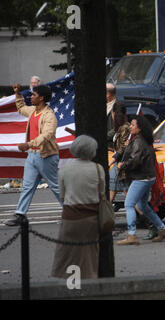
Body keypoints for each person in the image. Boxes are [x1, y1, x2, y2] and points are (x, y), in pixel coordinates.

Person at [4, 83, 62, 227]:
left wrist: (28, 144)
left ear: (41, 98)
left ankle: (72, 214)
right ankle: (20, 214)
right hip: (32, 156)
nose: (31, 97)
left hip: (47, 156)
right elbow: (21, 108)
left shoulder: (50, 116)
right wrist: (18, 94)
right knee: (27, 186)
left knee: (55, 187)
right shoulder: (33, 111)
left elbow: (47, 135)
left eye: (34, 95)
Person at [51, 135, 103, 279]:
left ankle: (72, 285)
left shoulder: (64, 169)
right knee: (89, 256)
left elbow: (62, 196)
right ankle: (89, 282)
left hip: (70, 218)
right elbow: (102, 194)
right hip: (91, 219)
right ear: (92, 151)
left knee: (68, 255)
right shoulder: (98, 169)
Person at [117, 116, 165, 245]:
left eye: (133, 125)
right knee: (142, 205)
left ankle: (132, 235)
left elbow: (135, 160)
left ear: (139, 128)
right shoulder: (143, 140)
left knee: (129, 204)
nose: (130, 126)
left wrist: (122, 165)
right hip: (148, 177)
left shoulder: (138, 141)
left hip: (141, 178)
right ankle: (163, 229)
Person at [108, 101, 130, 205]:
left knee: (129, 196)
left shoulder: (125, 128)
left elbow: (122, 148)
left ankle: (145, 217)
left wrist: (112, 160)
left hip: (121, 164)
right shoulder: (120, 128)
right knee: (114, 191)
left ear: (114, 113)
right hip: (118, 165)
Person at [106, 83, 117, 150]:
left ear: (108, 94)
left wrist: (105, 136)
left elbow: (118, 127)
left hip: (111, 145)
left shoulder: (117, 107)